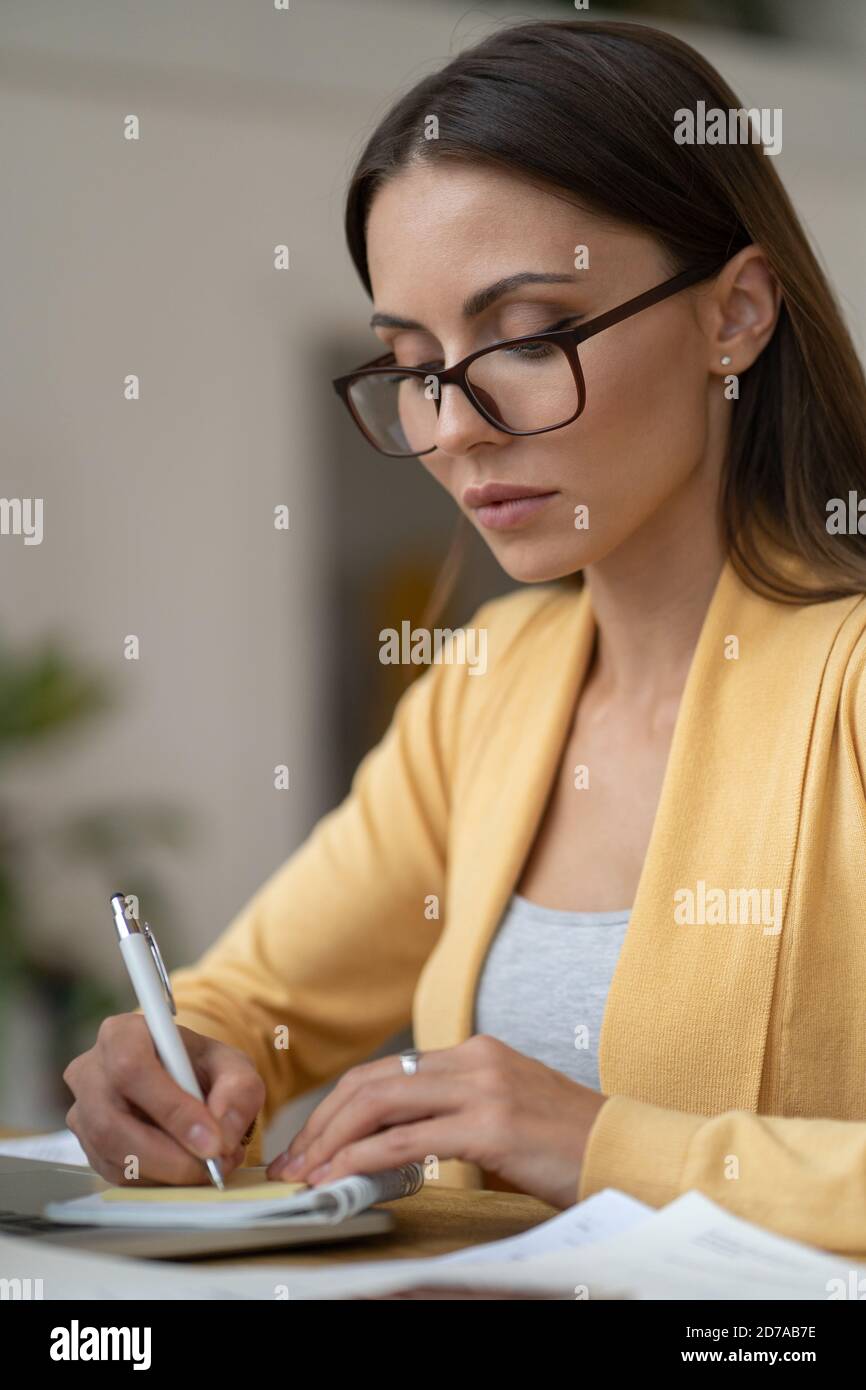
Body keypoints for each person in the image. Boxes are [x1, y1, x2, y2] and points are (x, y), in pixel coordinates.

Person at [64, 20, 866, 1250]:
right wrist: (184, 1058)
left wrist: (597, 1142)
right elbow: (263, 1003)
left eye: (528, 336)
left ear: (735, 314)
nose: (452, 429)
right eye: (412, 364)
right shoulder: (488, 687)